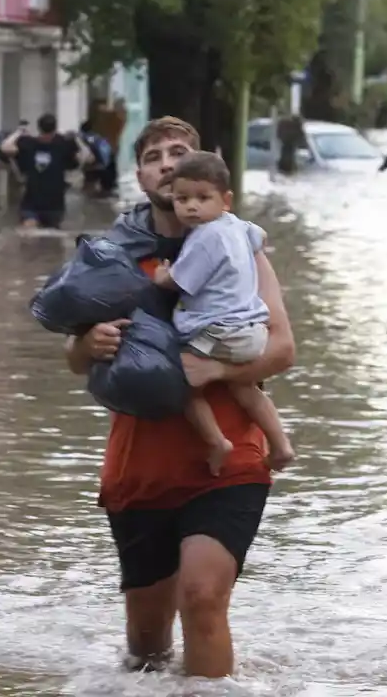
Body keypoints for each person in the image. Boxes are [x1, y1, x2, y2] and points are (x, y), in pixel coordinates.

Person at [63, 116, 295, 678]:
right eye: (154, 156)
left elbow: (283, 349)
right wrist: (88, 344)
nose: (168, 163)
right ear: (141, 176)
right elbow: (73, 362)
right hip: (140, 464)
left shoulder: (242, 247)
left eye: (181, 153)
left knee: (202, 596)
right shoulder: (112, 258)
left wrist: (211, 370)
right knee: (146, 642)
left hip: (231, 459)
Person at [150, 151, 295, 476]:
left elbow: (180, 281)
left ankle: (217, 441)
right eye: (182, 199)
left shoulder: (205, 237)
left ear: (225, 200)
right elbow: (260, 235)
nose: (192, 207)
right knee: (246, 389)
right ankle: (281, 444)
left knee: (182, 382)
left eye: (203, 198)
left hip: (218, 331)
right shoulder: (237, 227)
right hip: (250, 331)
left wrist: (162, 275)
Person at [0, 113, 93, 228]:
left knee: (40, 238)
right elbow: (87, 156)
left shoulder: (59, 145)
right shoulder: (33, 144)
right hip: (35, 205)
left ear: (39, 128)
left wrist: (18, 133)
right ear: (55, 128)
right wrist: (77, 138)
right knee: (34, 232)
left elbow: (5, 146)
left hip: (52, 206)